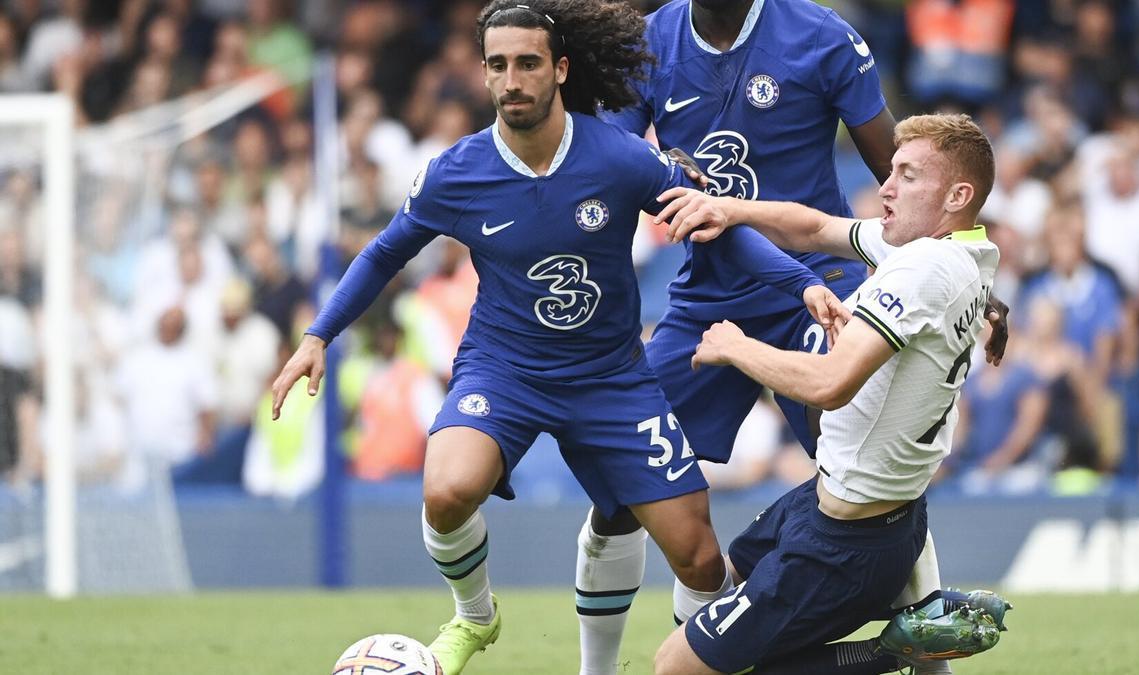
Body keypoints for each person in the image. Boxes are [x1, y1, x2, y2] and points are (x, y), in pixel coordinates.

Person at [269, 2, 843, 673]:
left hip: (611, 378)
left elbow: (718, 228)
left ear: (560, 69)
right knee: (447, 490)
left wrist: (798, 282)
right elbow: (383, 254)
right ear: (483, 75)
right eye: (497, 65)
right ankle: (475, 616)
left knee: (699, 554)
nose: (512, 79)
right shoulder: (457, 171)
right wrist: (318, 335)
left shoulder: (623, 159)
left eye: (528, 63)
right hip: (504, 371)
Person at [589, 3, 1008, 673]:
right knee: (624, 477)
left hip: (818, 286)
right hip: (712, 283)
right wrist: (717, 204)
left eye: (910, 178)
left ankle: (925, 653)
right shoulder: (652, 42)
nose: (892, 189)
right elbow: (816, 221)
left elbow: (831, 376)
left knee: (856, 446)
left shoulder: (822, 38)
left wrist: (733, 344)